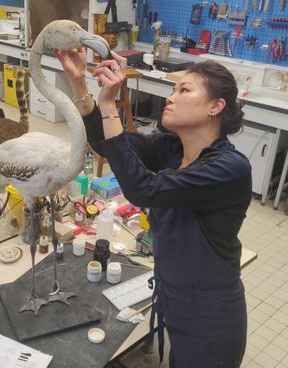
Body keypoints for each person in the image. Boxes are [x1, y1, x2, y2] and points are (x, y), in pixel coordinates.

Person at [54, 48, 251, 367]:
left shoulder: (229, 169)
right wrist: (79, 83)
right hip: (174, 298)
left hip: (211, 316)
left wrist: (109, 105)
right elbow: (106, 143)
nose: (171, 98)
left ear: (216, 106)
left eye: (184, 90)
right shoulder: (173, 149)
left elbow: (142, 189)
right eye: (173, 89)